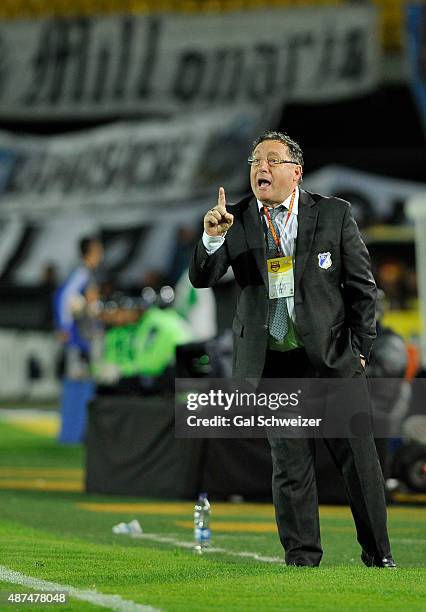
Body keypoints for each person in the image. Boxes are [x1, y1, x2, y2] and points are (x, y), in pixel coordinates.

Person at [189, 131, 396, 568]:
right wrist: (211, 239)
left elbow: (362, 289)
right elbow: (203, 279)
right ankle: (302, 559)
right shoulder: (237, 219)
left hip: (333, 360)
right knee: (290, 467)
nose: (260, 168)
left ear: (296, 172)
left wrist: (361, 350)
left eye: (271, 160)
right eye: (255, 161)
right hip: (276, 366)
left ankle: (379, 556)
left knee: (361, 466)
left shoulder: (334, 214)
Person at [54, 236, 104, 442]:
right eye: (99, 250)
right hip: (80, 339)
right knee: (78, 384)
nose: (101, 254)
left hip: (84, 337)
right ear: (91, 251)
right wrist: (65, 326)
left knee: (83, 383)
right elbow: (64, 297)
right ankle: (73, 433)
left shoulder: (85, 272)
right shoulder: (83, 272)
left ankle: (77, 432)